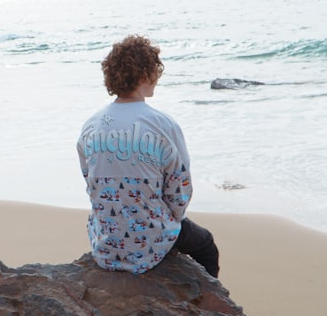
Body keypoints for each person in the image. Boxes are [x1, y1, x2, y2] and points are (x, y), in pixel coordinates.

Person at [77, 35, 220, 278]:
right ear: (145, 75)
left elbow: (90, 179)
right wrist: (173, 220)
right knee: (205, 245)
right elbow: (180, 186)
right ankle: (207, 308)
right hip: (151, 240)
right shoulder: (162, 124)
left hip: (106, 243)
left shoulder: (91, 125)